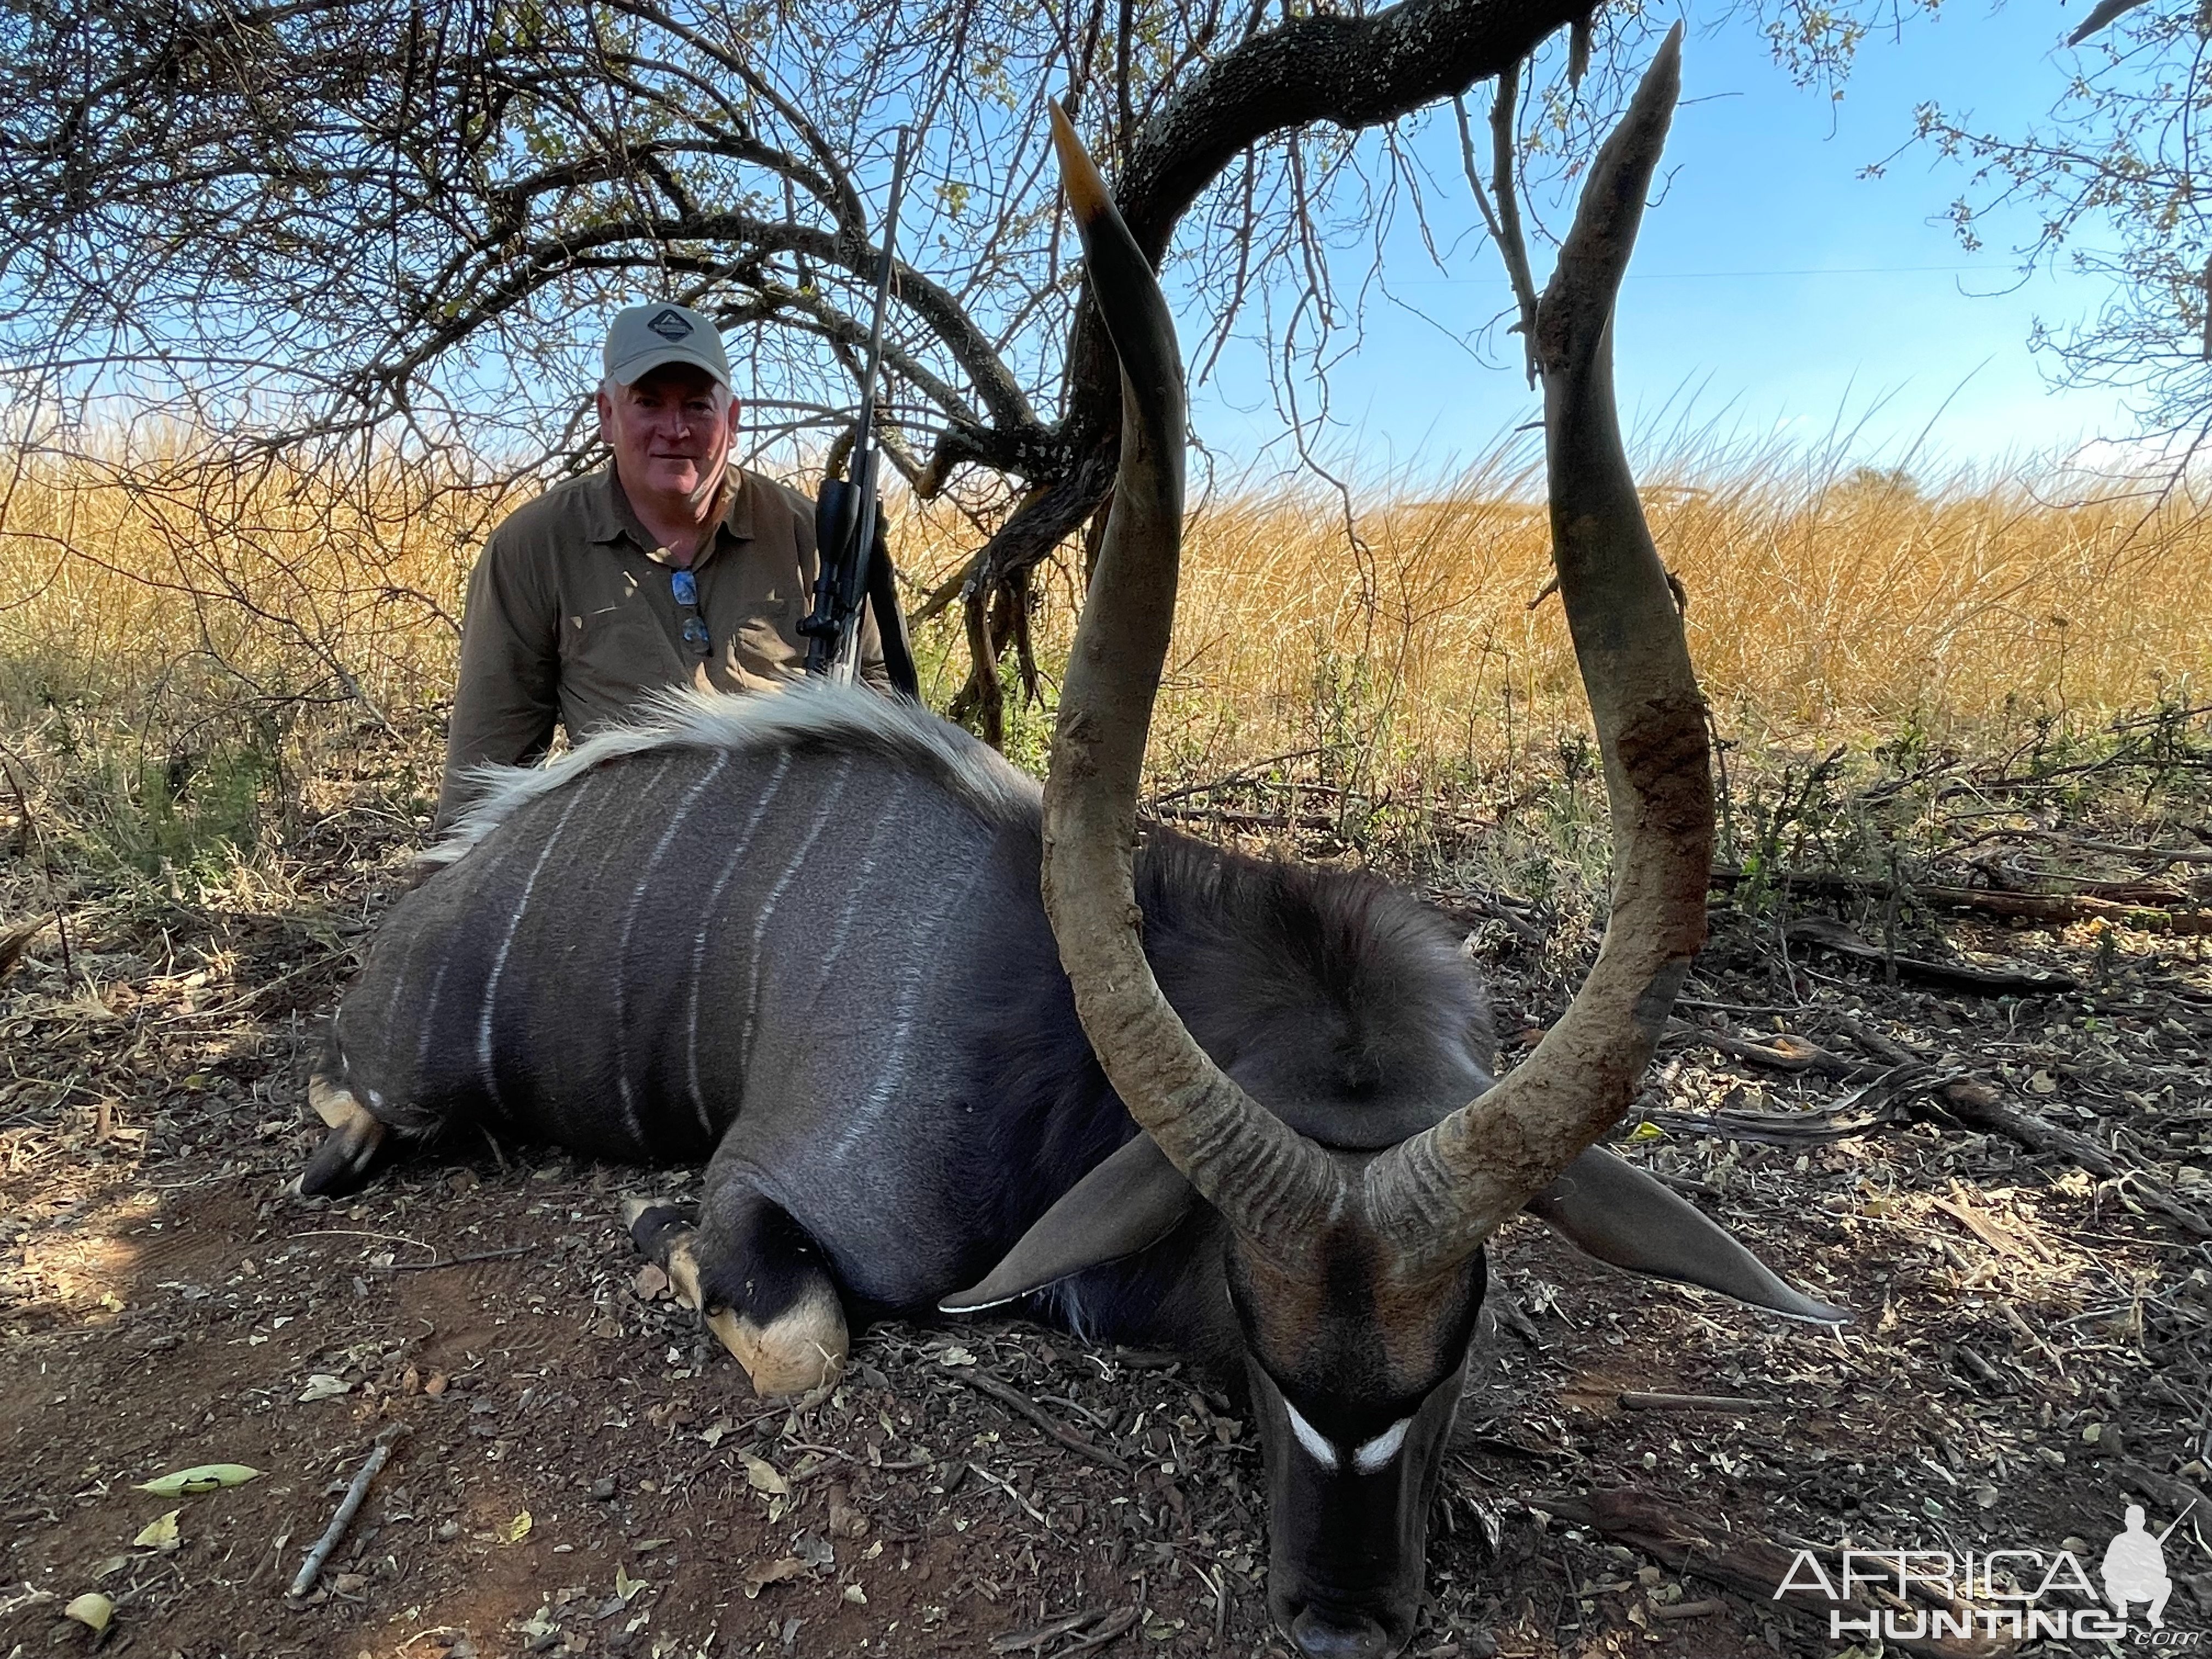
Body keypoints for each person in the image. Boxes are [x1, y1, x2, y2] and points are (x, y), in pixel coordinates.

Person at [436, 301, 892, 828]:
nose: (674, 430)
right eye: (648, 403)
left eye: (698, 406)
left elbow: (878, 695)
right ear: (607, 415)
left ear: (733, 419)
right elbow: (487, 765)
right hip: (629, 849)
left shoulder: (812, 535)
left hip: (791, 837)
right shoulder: (534, 545)